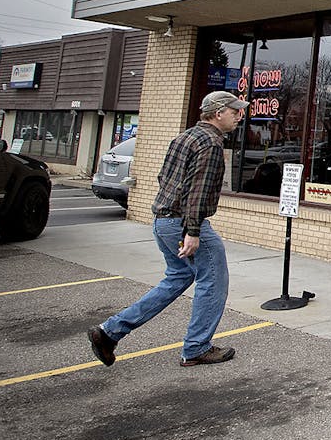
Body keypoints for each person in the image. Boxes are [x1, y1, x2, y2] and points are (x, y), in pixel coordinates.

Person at [86, 90, 248, 368]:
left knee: (178, 278)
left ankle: (110, 331)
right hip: (183, 222)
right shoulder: (210, 144)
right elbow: (198, 191)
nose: (239, 117)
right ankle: (197, 347)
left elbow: (164, 178)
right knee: (214, 281)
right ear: (218, 112)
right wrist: (193, 232)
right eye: (235, 112)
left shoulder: (184, 137)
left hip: (163, 220)